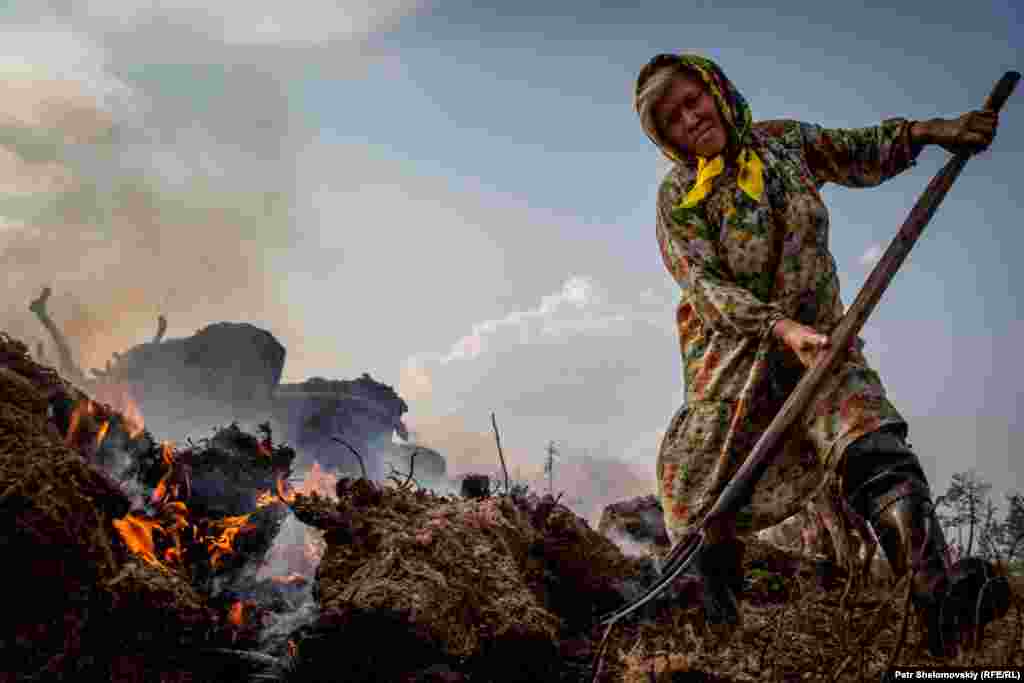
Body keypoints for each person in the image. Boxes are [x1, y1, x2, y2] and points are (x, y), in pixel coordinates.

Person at [633, 53, 1002, 655]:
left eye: (693, 98)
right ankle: (714, 640)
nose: (691, 117)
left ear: (716, 90)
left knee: (867, 432)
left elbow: (860, 150)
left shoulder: (784, 145)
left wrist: (937, 131)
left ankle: (939, 595)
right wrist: (778, 328)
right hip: (734, 361)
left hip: (822, 343)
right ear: (667, 137)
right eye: (673, 118)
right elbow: (704, 288)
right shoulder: (679, 196)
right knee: (695, 500)